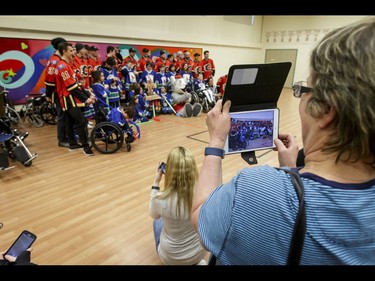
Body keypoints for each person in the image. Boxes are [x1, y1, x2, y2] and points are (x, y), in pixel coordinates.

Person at [191, 18, 375, 265]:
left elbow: (201, 216)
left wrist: (216, 141)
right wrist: (292, 171)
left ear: (327, 108)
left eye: (303, 90)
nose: (300, 98)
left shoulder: (256, 192)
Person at [150, 146, 207, 265]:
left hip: (170, 258)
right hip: (198, 253)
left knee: (157, 222)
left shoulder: (160, 198)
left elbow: (153, 215)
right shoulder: (203, 194)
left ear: (169, 171)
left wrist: (155, 183)